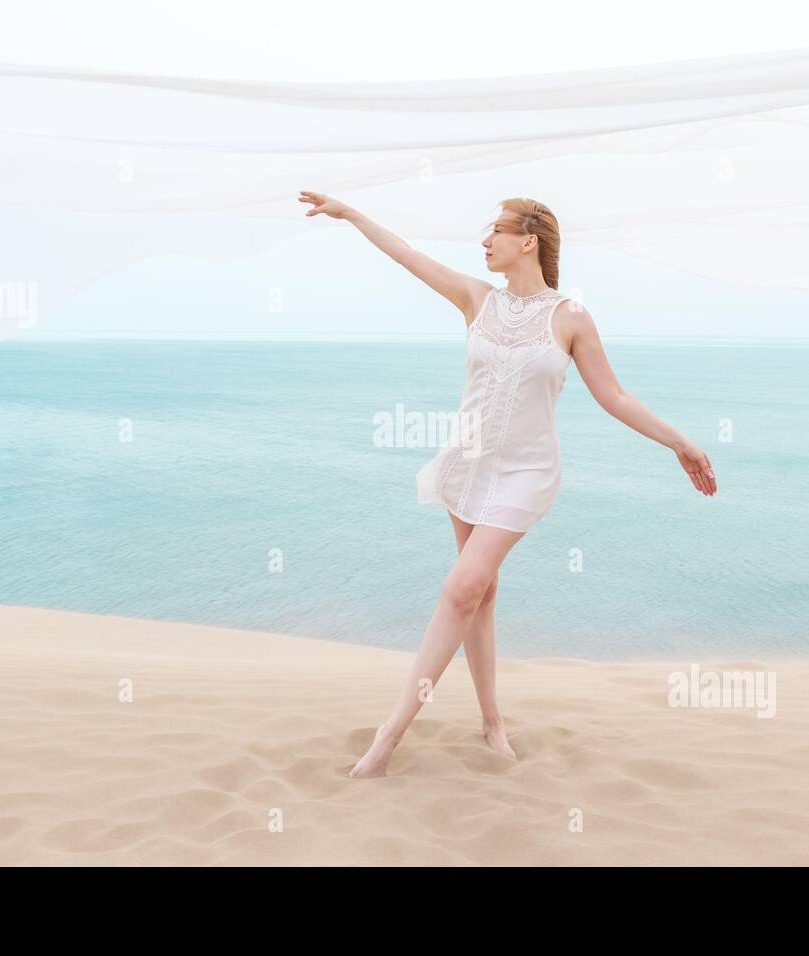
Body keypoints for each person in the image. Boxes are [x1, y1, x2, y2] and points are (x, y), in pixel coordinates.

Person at [298, 192, 717, 778]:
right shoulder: (476, 298)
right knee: (481, 596)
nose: (485, 241)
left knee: (462, 588)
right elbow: (407, 256)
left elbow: (613, 396)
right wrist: (352, 215)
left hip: (526, 474)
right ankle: (493, 722)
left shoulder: (570, 316)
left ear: (530, 240)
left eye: (495, 231)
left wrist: (680, 441)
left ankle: (387, 740)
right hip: (467, 464)